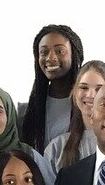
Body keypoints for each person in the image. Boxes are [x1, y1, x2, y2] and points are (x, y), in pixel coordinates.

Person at [20, 24, 84, 152]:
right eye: (44, 52)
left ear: (74, 55)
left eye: (59, 51)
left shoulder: (87, 103)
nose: (50, 58)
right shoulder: (28, 110)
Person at [45, 60, 105, 171]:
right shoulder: (56, 148)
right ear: (74, 92)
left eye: (99, 88)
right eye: (84, 87)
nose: (91, 95)